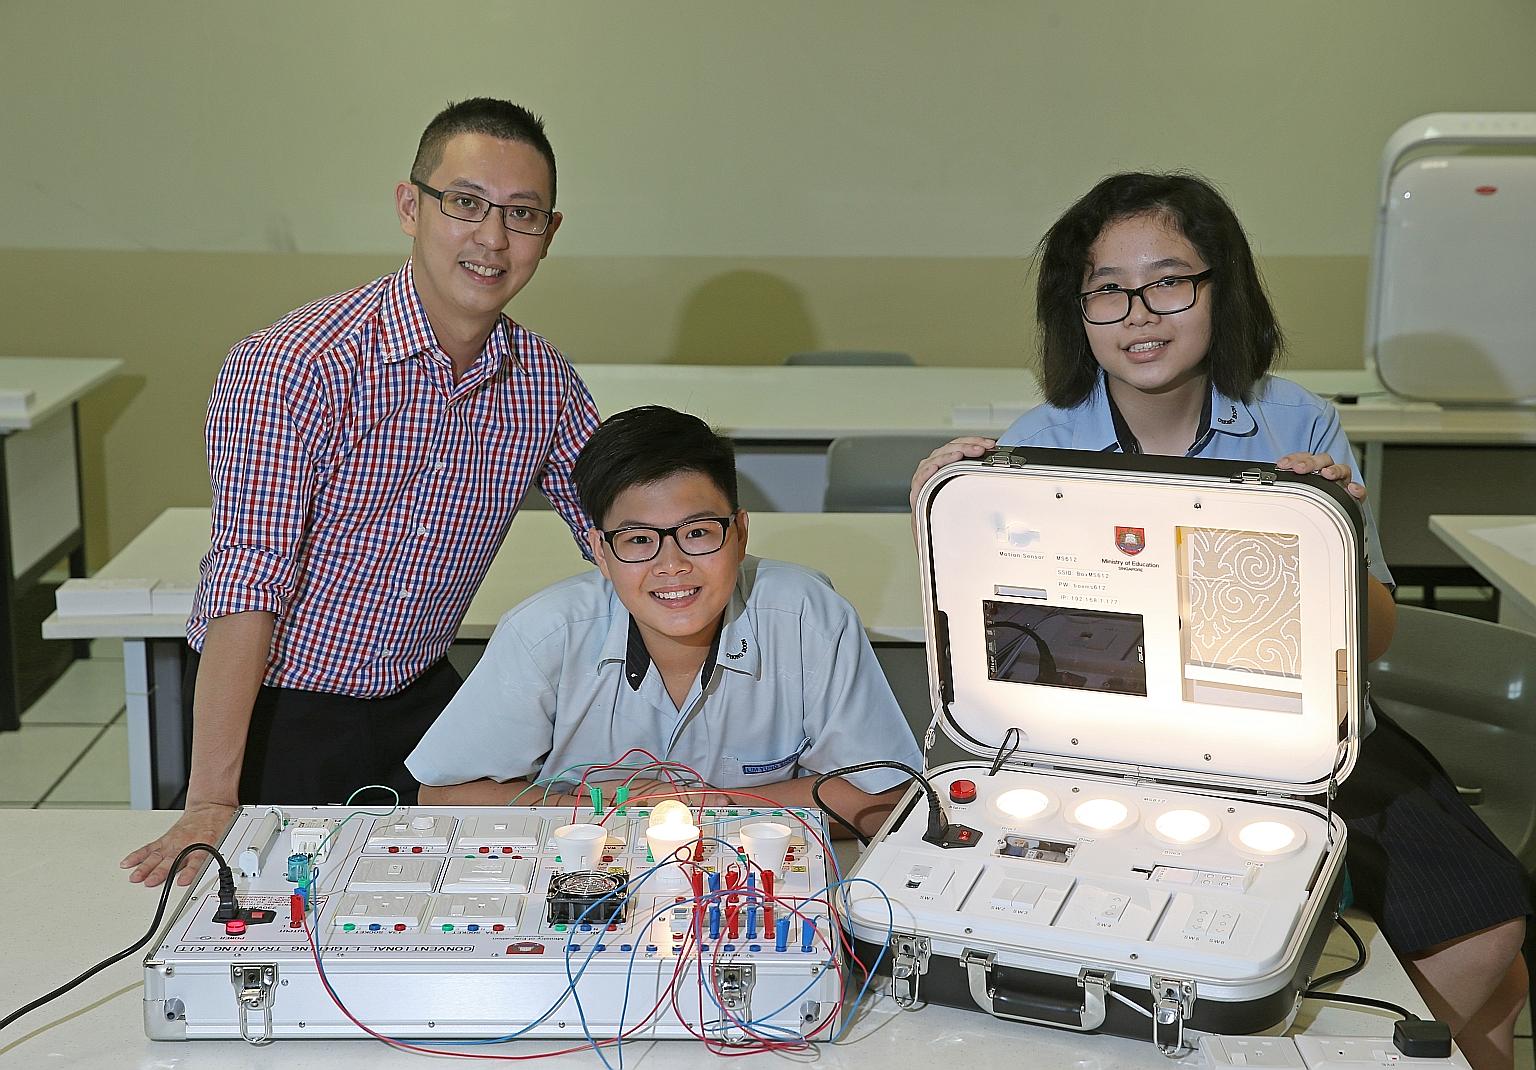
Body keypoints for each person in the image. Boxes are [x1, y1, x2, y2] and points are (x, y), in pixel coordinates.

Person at [911, 172, 1530, 1070]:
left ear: (1219, 288)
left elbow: (1373, 645)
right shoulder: (1038, 440)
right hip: (1110, 729)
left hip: (1293, 720)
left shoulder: (1297, 421)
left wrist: (1329, 541)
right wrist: (947, 518)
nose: (1140, 313)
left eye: (1170, 281)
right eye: (1108, 290)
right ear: (1076, 309)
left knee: (1486, 924)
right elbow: (1000, 655)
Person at [122, 98, 600, 888]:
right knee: (281, 929)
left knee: (483, 910)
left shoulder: (542, 380)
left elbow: (622, 532)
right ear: (411, 207)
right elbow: (248, 579)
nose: (492, 237)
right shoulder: (295, 366)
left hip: (426, 697)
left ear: (550, 233)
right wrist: (212, 798)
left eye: (522, 214)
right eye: (465, 203)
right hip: (285, 712)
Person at [408, 406, 921, 838]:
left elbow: (886, 797)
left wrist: (710, 805)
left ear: (741, 535)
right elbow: (442, 794)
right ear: (600, 554)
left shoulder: (810, 618)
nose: (671, 565)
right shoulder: (546, 633)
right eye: (637, 540)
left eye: (697, 533)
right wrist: (588, 810)